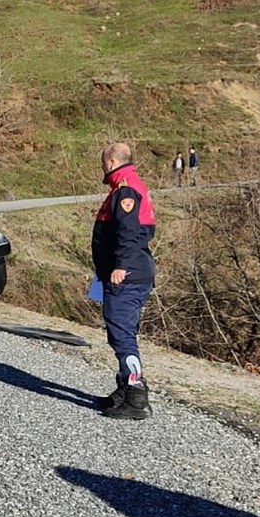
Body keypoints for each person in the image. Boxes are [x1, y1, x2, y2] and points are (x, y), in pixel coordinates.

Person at [91, 142, 156, 420]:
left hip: (127, 277)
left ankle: (136, 396)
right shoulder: (127, 186)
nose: (103, 168)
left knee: (123, 336)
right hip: (132, 274)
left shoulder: (125, 188)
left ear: (112, 161)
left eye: (104, 163)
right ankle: (124, 388)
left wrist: (121, 266)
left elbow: (129, 232)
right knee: (120, 332)